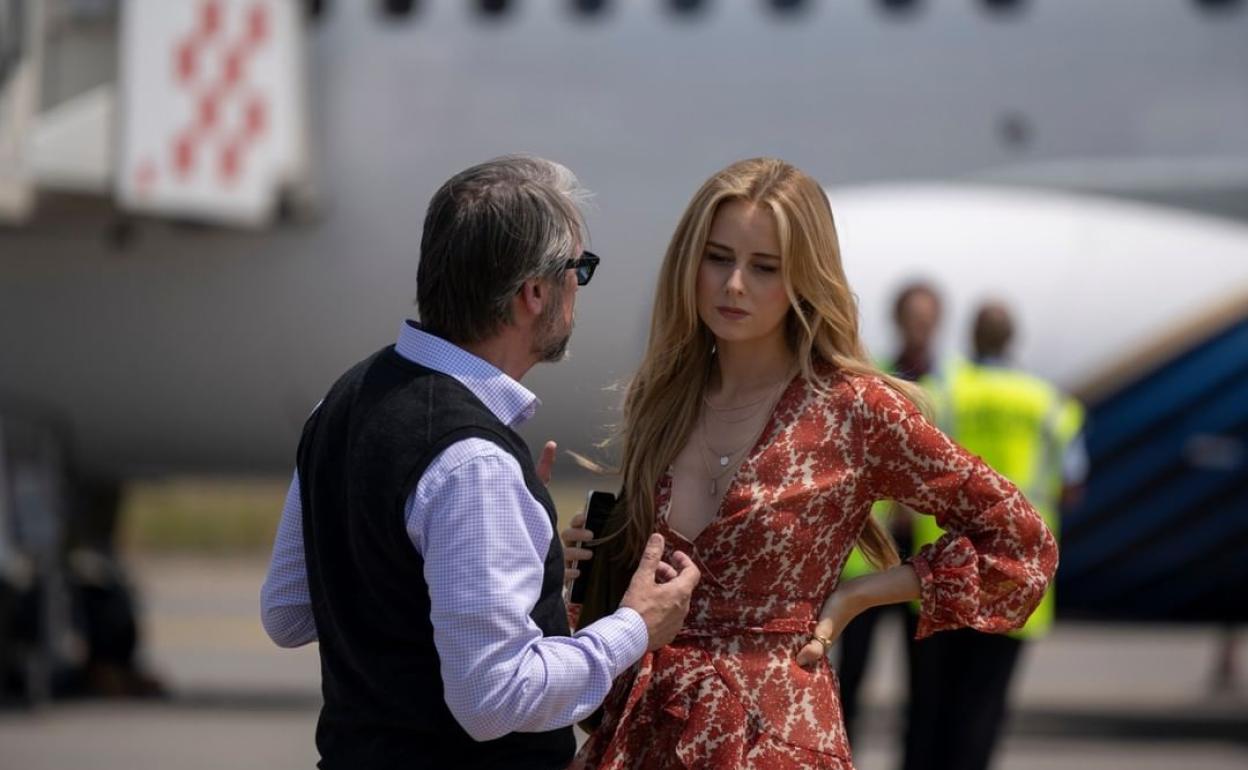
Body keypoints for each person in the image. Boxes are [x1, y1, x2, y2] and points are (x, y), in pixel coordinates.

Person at [566, 158, 1058, 770]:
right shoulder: (665, 398)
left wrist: (858, 595)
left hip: (775, 736)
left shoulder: (855, 409)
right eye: (717, 258)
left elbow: (1020, 541)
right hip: (648, 732)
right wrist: (588, 565)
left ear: (804, 277)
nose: (734, 285)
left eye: (764, 267)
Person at [259, 155, 700, 770]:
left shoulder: (340, 402)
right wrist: (634, 626)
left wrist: (502, 560)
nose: (579, 288)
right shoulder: (474, 465)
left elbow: (288, 612)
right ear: (534, 293)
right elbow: (494, 700)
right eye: (579, 270)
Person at [902, 301, 1085, 770]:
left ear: (971, 336)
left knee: (928, 706)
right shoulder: (1046, 401)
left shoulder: (942, 391)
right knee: (983, 705)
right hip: (1016, 575)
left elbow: (907, 470)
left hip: (942, 569)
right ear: (1012, 340)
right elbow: (1072, 484)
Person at [836, 281, 943, 742]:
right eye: (912, 318)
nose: (920, 327)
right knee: (852, 673)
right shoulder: (874, 378)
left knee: (925, 683)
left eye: (927, 319)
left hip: (926, 550)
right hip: (874, 551)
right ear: (898, 320)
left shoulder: (951, 386)